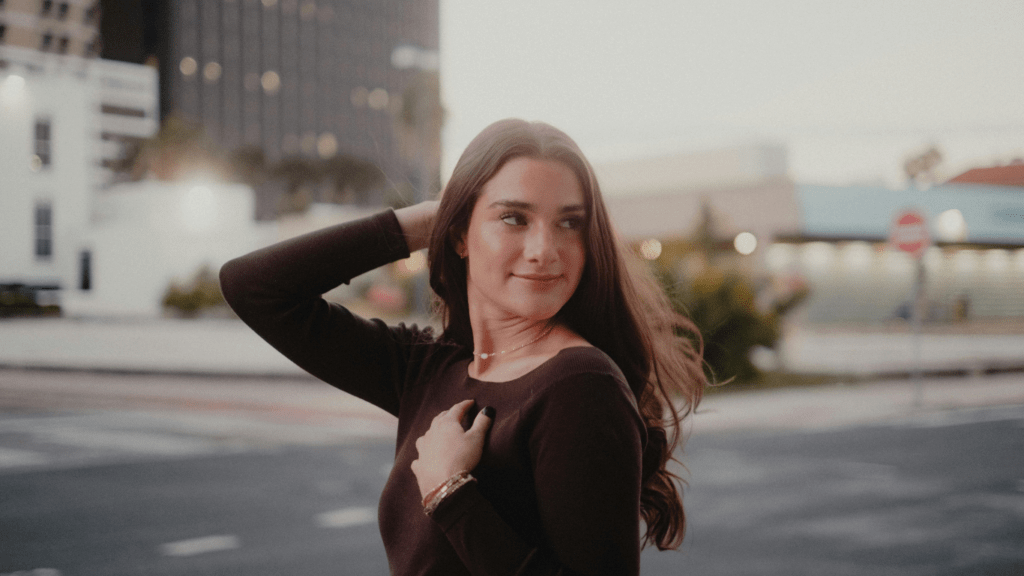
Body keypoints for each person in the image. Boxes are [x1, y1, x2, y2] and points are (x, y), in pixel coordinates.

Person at [219, 118, 706, 575]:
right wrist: (430, 219)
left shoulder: (580, 386)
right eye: (514, 218)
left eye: (569, 222)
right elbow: (255, 289)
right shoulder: (428, 368)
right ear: (458, 236)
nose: (544, 250)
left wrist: (451, 495)